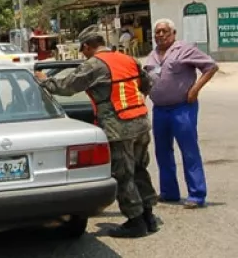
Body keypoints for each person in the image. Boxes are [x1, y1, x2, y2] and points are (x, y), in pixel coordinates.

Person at [34, 33, 159, 238]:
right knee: (140, 169)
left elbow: (68, 87)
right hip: (141, 122)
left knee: (123, 175)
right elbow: (146, 84)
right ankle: (148, 216)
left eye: (82, 49)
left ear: (87, 46)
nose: (83, 54)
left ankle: (135, 221)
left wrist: (45, 81)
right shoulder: (128, 59)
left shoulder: (95, 65)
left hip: (118, 126)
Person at [144, 18, 219, 209]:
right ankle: (169, 192)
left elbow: (211, 67)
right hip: (160, 109)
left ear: (173, 33)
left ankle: (196, 194)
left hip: (182, 108)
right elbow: (146, 79)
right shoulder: (152, 55)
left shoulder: (184, 49)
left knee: (189, 150)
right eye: (157, 32)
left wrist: (195, 89)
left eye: (164, 31)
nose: (160, 35)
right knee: (162, 151)